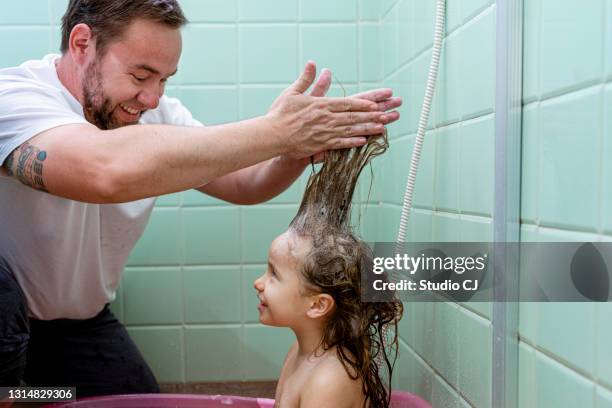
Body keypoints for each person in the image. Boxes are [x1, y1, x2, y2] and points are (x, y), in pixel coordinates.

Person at [0, 0, 402, 397]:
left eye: (164, 79)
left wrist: (292, 153)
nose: (152, 98)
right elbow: (104, 170)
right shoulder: (17, 98)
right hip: (6, 320)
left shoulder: (152, 113)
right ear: (82, 43)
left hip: (78, 323)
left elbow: (244, 183)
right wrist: (277, 131)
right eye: (141, 76)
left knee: (122, 399)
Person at [253, 131, 403, 407]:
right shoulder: (301, 350)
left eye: (274, 274)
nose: (258, 283)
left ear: (318, 304)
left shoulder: (329, 379)